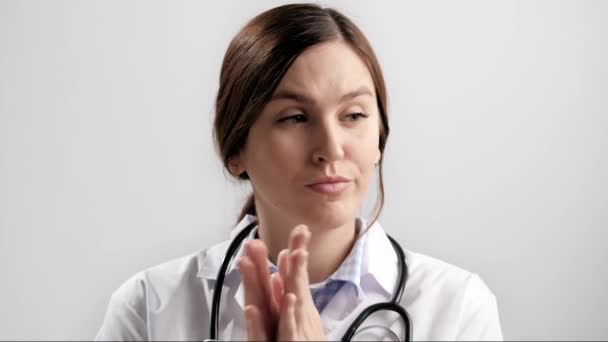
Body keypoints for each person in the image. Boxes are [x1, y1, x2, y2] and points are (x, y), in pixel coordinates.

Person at [95, 3, 503, 341]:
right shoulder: (149, 307)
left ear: (378, 139)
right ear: (235, 150)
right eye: (294, 117)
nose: (330, 148)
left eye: (354, 115)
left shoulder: (457, 306)